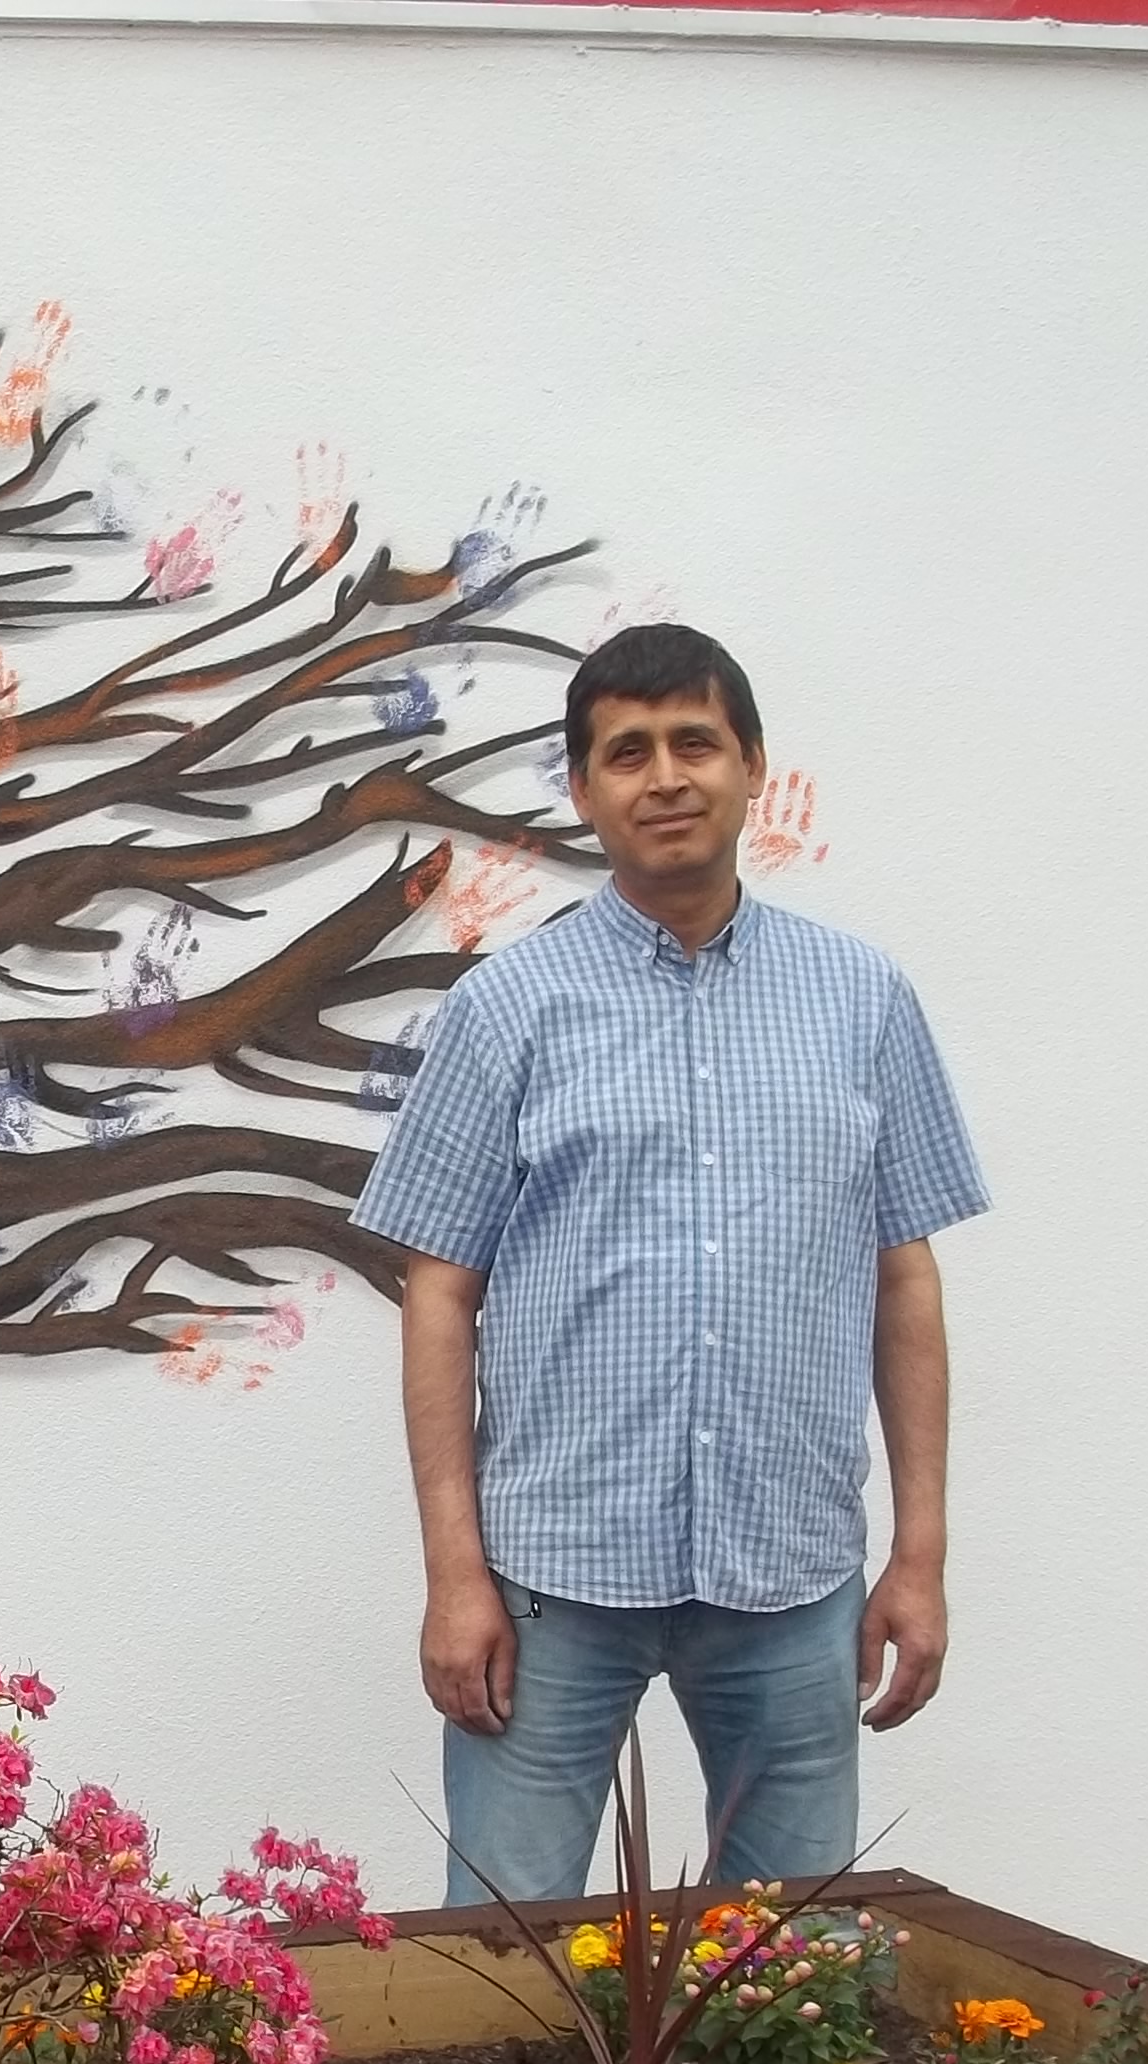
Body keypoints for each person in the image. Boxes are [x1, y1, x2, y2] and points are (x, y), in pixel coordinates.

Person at [355, 620, 988, 1901]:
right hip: (550, 1575)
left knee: (797, 1971)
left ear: (752, 765)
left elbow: (902, 1276)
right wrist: (453, 1574)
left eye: (695, 741)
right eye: (625, 752)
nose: (665, 777)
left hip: (789, 1569)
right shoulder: (504, 1010)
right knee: (502, 1977)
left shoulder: (862, 1000)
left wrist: (916, 1555)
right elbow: (440, 1295)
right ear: (583, 793)